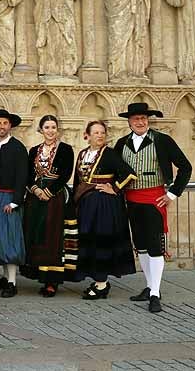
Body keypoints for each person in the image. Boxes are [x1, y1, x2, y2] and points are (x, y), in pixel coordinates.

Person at [113, 102, 193, 313]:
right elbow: (115, 170)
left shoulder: (162, 140)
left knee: (155, 246)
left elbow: (185, 167)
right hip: (131, 200)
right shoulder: (122, 143)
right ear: (129, 122)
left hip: (154, 200)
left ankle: (156, 294)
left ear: (148, 120)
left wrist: (172, 194)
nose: (140, 122)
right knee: (141, 245)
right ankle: (149, 287)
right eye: (135, 119)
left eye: (143, 119)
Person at [73, 120, 136, 300]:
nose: (100, 136)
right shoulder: (83, 154)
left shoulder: (109, 154)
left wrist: (114, 188)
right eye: (96, 133)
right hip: (86, 205)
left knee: (101, 241)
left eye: (102, 132)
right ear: (87, 135)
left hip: (104, 206)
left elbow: (129, 173)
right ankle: (97, 280)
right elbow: (79, 181)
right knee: (89, 240)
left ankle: (101, 284)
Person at [21, 115, 75, 297]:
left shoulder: (66, 149)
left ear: (57, 129)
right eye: (47, 127)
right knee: (36, 233)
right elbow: (28, 174)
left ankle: (52, 280)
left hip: (54, 199)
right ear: (41, 130)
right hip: (35, 199)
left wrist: (49, 192)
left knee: (53, 236)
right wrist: (36, 190)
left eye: (53, 127)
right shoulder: (34, 150)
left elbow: (66, 173)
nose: (50, 131)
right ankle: (39, 274)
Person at [0, 108, 28, 298]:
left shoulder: (17, 148)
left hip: (9, 198)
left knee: (10, 238)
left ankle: (12, 282)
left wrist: (16, 201)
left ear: (10, 126)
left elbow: (22, 175)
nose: (2, 126)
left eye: (5, 123)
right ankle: (3, 277)